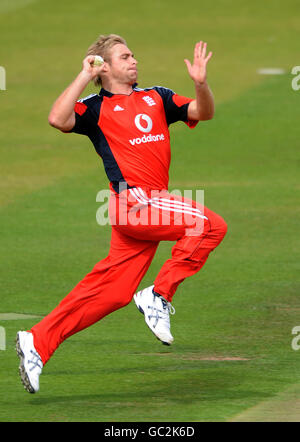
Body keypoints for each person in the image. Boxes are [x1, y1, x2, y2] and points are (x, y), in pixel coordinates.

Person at [16, 34, 227, 393]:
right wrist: (84, 75)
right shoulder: (95, 108)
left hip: (146, 209)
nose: (134, 61)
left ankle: (37, 340)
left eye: (133, 55)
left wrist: (201, 84)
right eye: (125, 57)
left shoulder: (157, 97)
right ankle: (158, 296)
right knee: (208, 225)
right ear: (105, 67)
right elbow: (57, 118)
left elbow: (202, 113)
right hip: (134, 204)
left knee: (111, 292)